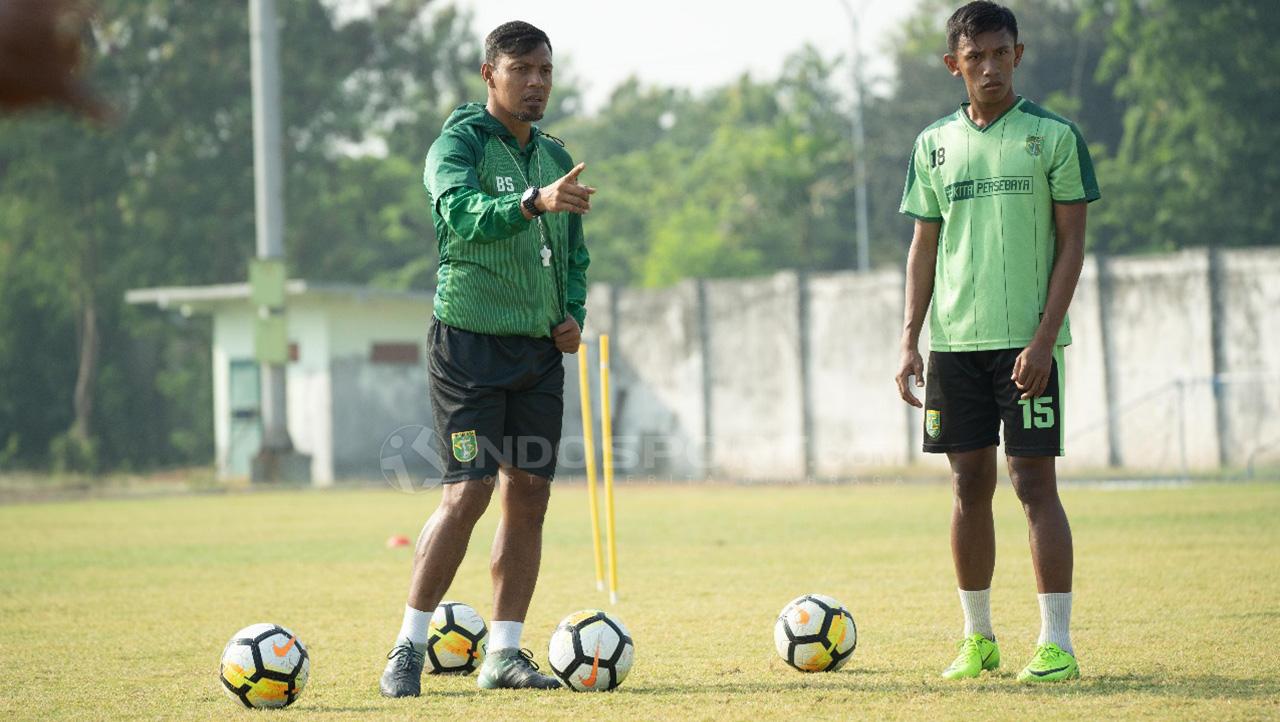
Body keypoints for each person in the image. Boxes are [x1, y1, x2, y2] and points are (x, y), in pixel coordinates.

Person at [380, 20, 593, 696]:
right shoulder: (458, 145)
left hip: (535, 355)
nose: (536, 83)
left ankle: (503, 655)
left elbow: (575, 255)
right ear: (489, 76)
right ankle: (408, 649)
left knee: (528, 495)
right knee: (468, 492)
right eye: (522, 70)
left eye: (545, 72)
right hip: (467, 346)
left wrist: (571, 315)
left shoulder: (557, 157)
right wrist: (531, 203)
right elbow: (464, 212)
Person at [894, 1, 1100, 683]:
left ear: (1019, 53)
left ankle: (1056, 644)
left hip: (1025, 346)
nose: (988, 66)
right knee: (967, 484)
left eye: (999, 52)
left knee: (1034, 482)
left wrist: (1044, 341)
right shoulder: (933, 145)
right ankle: (978, 638)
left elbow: (1072, 244)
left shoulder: (1055, 136)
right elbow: (923, 247)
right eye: (974, 55)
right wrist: (909, 341)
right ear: (953, 64)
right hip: (955, 344)